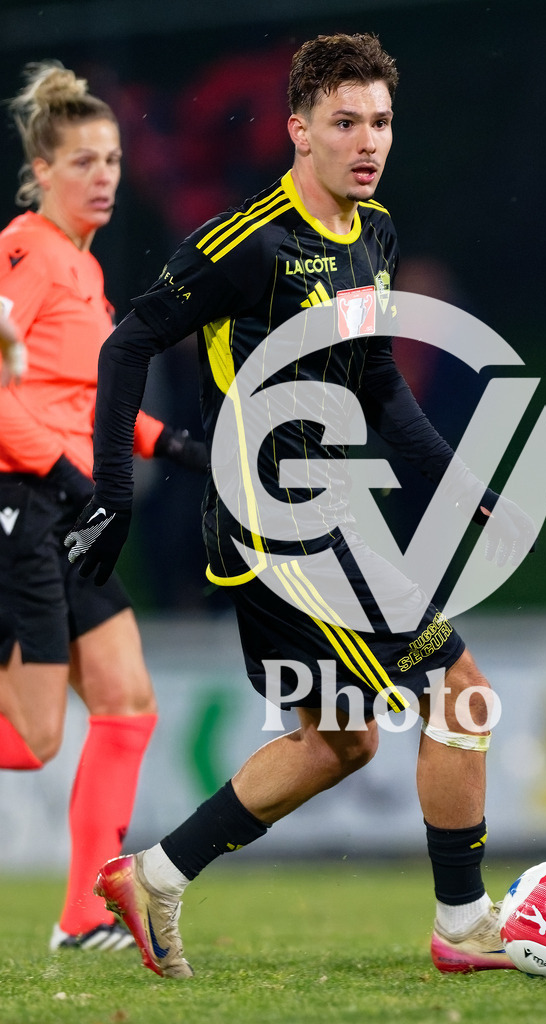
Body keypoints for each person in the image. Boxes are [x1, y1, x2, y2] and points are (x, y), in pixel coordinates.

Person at [66, 33, 535, 979]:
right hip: (278, 523)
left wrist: (454, 478)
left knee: (340, 739)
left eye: (383, 123)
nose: (369, 142)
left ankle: (154, 875)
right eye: (346, 123)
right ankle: (465, 923)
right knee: (463, 693)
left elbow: (377, 383)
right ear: (298, 130)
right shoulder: (250, 243)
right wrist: (114, 493)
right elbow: (126, 347)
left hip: (330, 516)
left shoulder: (375, 235)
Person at [0, 61, 206, 952]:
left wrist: (174, 445)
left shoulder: (83, 273)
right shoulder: (24, 251)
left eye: (114, 159)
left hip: (66, 508)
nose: (105, 175)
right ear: (42, 170)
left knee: (128, 703)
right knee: (38, 737)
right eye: (84, 161)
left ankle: (85, 914)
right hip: (26, 502)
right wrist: (66, 473)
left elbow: (82, 399)